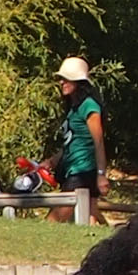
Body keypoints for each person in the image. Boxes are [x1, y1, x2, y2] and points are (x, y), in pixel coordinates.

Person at [54, 56, 107, 207]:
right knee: (89, 215)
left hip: (83, 171)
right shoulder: (73, 108)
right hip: (72, 170)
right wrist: (53, 160)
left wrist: (101, 175)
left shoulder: (89, 106)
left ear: (78, 81)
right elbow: (72, 141)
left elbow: (98, 142)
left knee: (55, 219)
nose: (61, 82)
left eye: (66, 79)